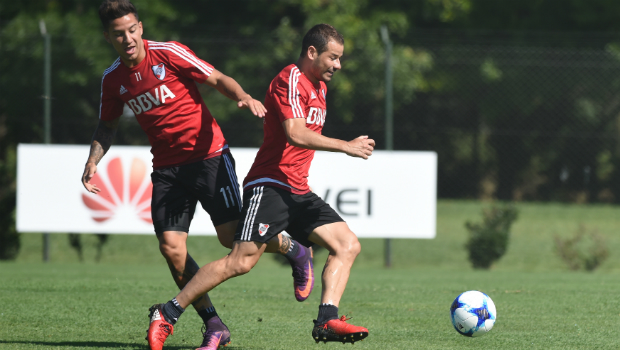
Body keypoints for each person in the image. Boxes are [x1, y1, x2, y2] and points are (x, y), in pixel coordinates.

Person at [82, 1, 315, 349]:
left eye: (132, 30)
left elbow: (217, 77)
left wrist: (242, 96)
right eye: (119, 34)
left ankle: (294, 248)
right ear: (108, 37)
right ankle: (214, 325)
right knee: (171, 249)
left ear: (141, 28)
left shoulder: (168, 53)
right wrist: (92, 161)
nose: (127, 38)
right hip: (167, 170)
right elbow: (107, 126)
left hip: (209, 158)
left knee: (231, 238)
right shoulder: (113, 79)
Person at [146, 23, 374, 348]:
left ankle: (326, 320)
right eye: (333, 57)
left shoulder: (319, 87)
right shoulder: (290, 79)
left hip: (297, 190)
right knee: (239, 261)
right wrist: (345, 145)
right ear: (312, 53)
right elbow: (295, 133)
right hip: (270, 187)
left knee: (347, 244)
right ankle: (168, 313)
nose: (338, 65)